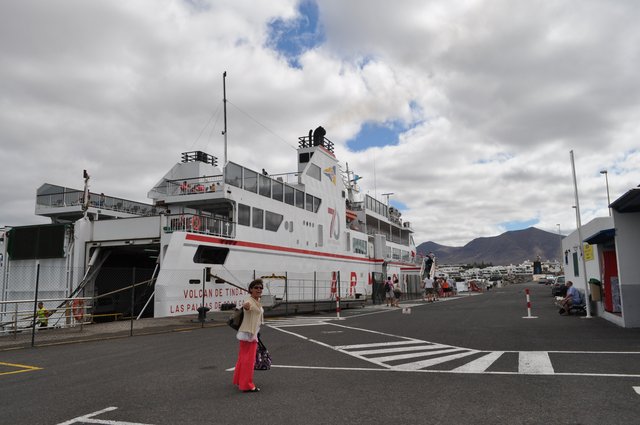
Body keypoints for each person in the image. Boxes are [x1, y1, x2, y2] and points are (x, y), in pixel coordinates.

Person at [233, 279, 265, 393]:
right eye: (256, 287)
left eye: (261, 288)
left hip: (250, 333)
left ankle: (238, 380)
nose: (259, 289)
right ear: (251, 289)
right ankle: (247, 385)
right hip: (249, 335)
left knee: (242, 359)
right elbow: (247, 306)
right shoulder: (249, 300)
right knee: (248, 361)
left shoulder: (257, 300)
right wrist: (246, 306)